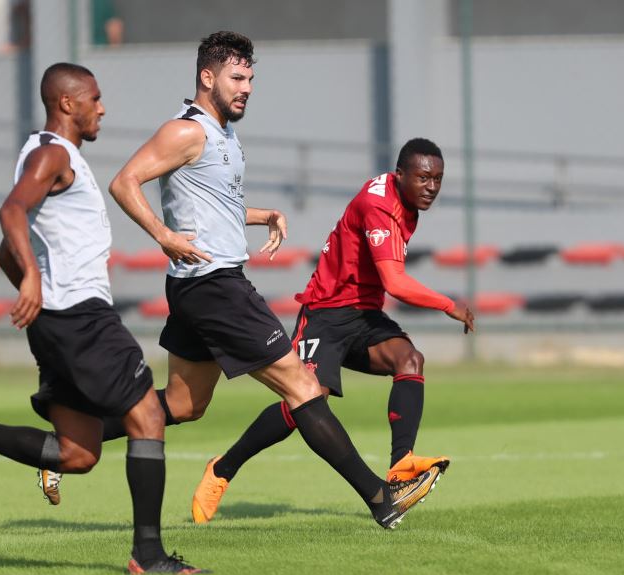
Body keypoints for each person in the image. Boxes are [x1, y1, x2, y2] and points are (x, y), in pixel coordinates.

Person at [101, 30, 443, 530]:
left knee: (183, 404)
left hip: (198, 285)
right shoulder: (186, 131)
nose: (246, 88)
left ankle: (72, 438)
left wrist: (263, 215)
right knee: (303, 386)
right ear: (207, 77)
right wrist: (163, 234)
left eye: (250, 79)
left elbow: (214, 206)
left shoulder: (223, 135)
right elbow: (123, 181)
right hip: (215, 285)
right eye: (237, 78)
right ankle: (381, 498)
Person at [0, 63, 206, 575]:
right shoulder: (52, 153)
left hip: (60, 321)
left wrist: (37, 291)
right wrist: (36, 282)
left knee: (78, 454)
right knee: (148, 416)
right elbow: (10, 214)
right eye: (94, 99)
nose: (102, 108)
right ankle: (148, 555)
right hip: (82, 319)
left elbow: (5, 253)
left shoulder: (49, 156)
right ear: (66, 104)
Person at [190, 138, 474, 523]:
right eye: (423, 178)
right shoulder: (379, 205)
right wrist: (449, 304)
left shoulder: (405, 203)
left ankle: (401, 465)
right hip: (325, 313)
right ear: (400, 175)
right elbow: (395, 282)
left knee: (409, 360)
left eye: (438, 179)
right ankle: (223, 468)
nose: (432, 186)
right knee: (306, 401)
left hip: (364, 314)